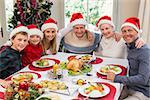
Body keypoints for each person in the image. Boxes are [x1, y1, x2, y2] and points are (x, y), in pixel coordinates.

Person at [107, 17, 150, 100]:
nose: (127, 34)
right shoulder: (129, 45)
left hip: (142, 92)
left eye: (130, 30)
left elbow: (143, 79)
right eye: (124, 31)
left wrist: (116, 78)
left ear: (137, 32)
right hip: (129, 87)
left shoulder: (144, 51)